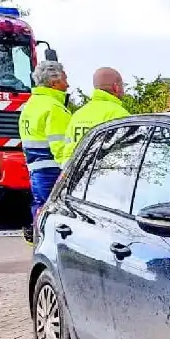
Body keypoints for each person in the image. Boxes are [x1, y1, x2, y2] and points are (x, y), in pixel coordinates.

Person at [19, 61, 73, 240]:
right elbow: (61, 147)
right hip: (52, 171)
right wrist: (69, 171)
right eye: (65, 79)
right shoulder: (54, 108)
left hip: (35, 169)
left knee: (40, 207)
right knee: (55, 213)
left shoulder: (30, 105)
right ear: (54, 82)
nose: (68, 84)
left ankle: (36, 240)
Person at [68, 67, 130, 153]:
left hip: (75, 165)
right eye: (122, 85)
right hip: (104, 166)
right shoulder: (118, 113)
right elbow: (126, 151)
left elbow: (67, 149)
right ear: (116, 87)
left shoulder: (77, 115)